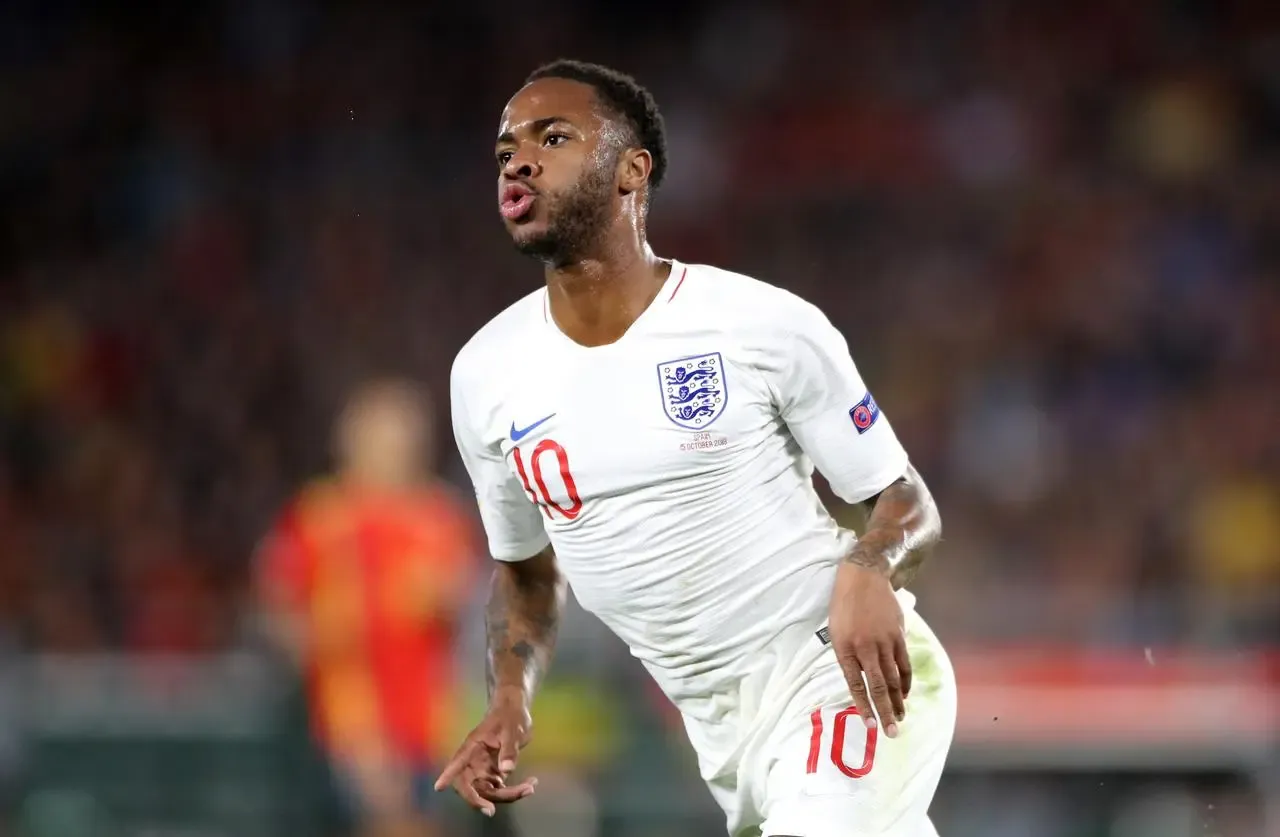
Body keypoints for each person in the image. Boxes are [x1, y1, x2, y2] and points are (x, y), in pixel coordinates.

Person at [439, 60, 957, 837]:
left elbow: (903, 498)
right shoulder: (485, 374)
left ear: (630, 170)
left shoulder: (760, 326)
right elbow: (526, 569)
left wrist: (868, 563)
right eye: (506, 148)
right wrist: (509, 704)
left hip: (840, 676)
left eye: (554, 137)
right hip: (718, 737)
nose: (518, 159)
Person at [257, 379, 478, 837]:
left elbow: (465, 604)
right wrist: (317, 637)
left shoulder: (439, 516)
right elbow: (279, 603)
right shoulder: (321, 516)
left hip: (433, 716)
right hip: (354, 713)